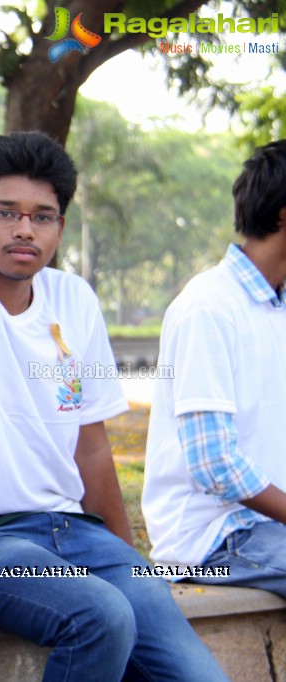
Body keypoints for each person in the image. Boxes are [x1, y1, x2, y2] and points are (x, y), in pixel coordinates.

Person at [0, 132, 227, 681]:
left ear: (60, 229)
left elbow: (92, 450)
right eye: (6, 213)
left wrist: (129, 562)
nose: (25, 228)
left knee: (196, 674)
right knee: (100, 616)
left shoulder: (74, 299)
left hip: (76, 532)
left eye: (42, 216)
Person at [142, 140, 286, 597]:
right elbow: (214, 465)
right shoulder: (209, 306)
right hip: (212, 537)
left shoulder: (276, 307)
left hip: (267, 527)